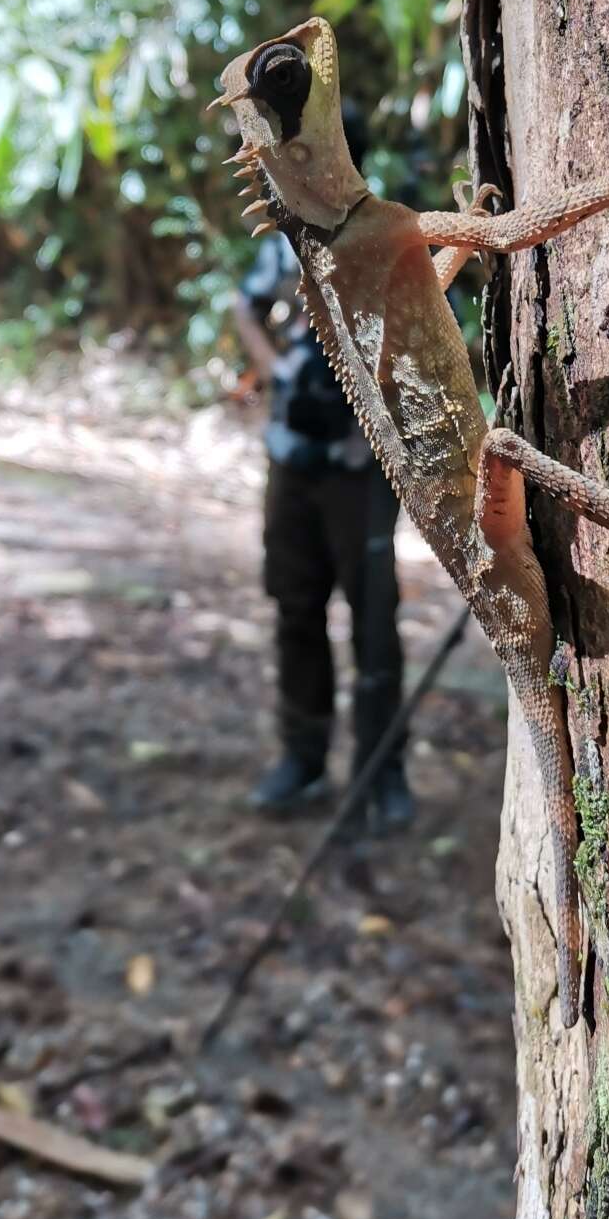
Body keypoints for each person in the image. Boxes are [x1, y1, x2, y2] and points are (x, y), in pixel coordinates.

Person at [232, 101, 413, 832]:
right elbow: (246, 305)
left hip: (359, 460)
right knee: (295, 606)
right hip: (292, 456)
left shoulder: (379, 237)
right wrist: (276, 372)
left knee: (373, 620)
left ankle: (382, 773)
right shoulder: (282, 239)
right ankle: (302, 757)